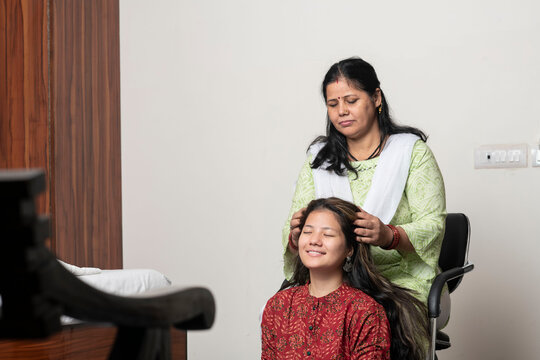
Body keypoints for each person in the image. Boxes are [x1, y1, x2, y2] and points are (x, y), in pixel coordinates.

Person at [282, 57, 447, 322]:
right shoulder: (319, 160)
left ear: (376, 98)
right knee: (284, 315)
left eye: (351, 100)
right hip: (330, 278)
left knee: (369, 319)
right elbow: (291, 233)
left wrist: (388, 235)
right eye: (333, 104)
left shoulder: (410, 153)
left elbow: (433, 225)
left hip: (396, 278)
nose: (341, 111)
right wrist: (296, 233)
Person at [262, 198, 428, 360]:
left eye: (327, 234)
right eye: (307, 232)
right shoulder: (277, 305)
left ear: (349, 249)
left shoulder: (366, 312)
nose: (314, 240)